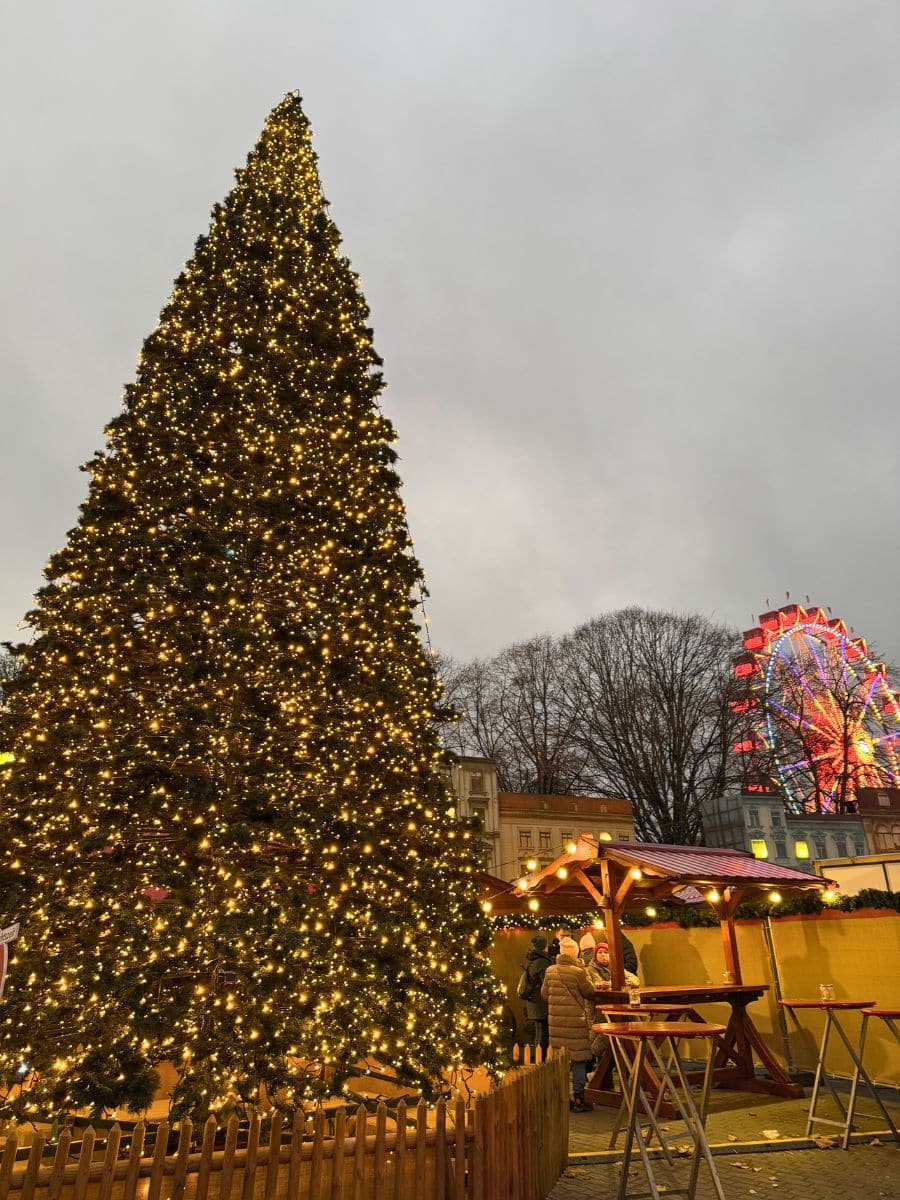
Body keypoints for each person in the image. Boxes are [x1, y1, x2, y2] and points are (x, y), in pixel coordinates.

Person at [541, 935, 596, 1111]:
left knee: (561, 1062)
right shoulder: (578, 972)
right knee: (578, 1061)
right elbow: (589, 992)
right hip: (575, 1023)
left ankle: (562, 1098)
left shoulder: (550, 971)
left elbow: (544, 994)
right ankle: (579, 1098)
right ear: (574, 954)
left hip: (555, 1023)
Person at [520, 935, 551, 1053]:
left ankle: (539, 1060)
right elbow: (547, 983)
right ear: (544, 947)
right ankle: (541, 1062)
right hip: (540, 1002)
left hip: (533, 1001)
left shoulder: (532, 960)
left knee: (540, 1031)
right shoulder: (542, 962)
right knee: (543, 1034)